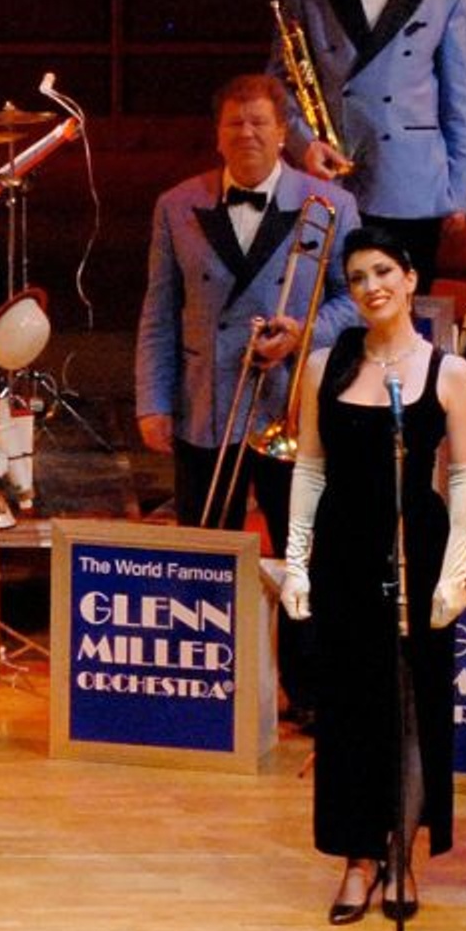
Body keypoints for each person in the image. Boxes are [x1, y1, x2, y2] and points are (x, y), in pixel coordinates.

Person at [137, 73, 359, 726]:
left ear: (285, 132)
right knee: (206, 550)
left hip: (295, 406)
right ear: (217, 134)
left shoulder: (331, 204)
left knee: (300, 551)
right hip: (207, 404)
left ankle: (309, 687)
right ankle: (209, 677)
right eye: (235, 124)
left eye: (261, 122)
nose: (248, 134)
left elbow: (361, 299)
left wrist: (305, 332)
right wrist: (153, 399)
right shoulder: (177, 204)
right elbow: (158, 310)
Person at [276, 228, 466, 924]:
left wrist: (454, 574)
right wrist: (298, 561)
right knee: (349, 710)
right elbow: (309, 466)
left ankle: (401, 855)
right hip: (343, 550)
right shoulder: (326, 366)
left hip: (415, 550)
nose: (372, 287)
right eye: (359, 277)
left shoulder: (446, 371)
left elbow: (465, 475)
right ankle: (357, 858)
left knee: (413, 709)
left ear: (411, 276)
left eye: (384, 271)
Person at [280, 0, 466, 271]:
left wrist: (458, 195)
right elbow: (281, 82)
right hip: (331, 177)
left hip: (412, 186)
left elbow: (462, 101)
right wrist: (304, 146)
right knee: (333, 312)